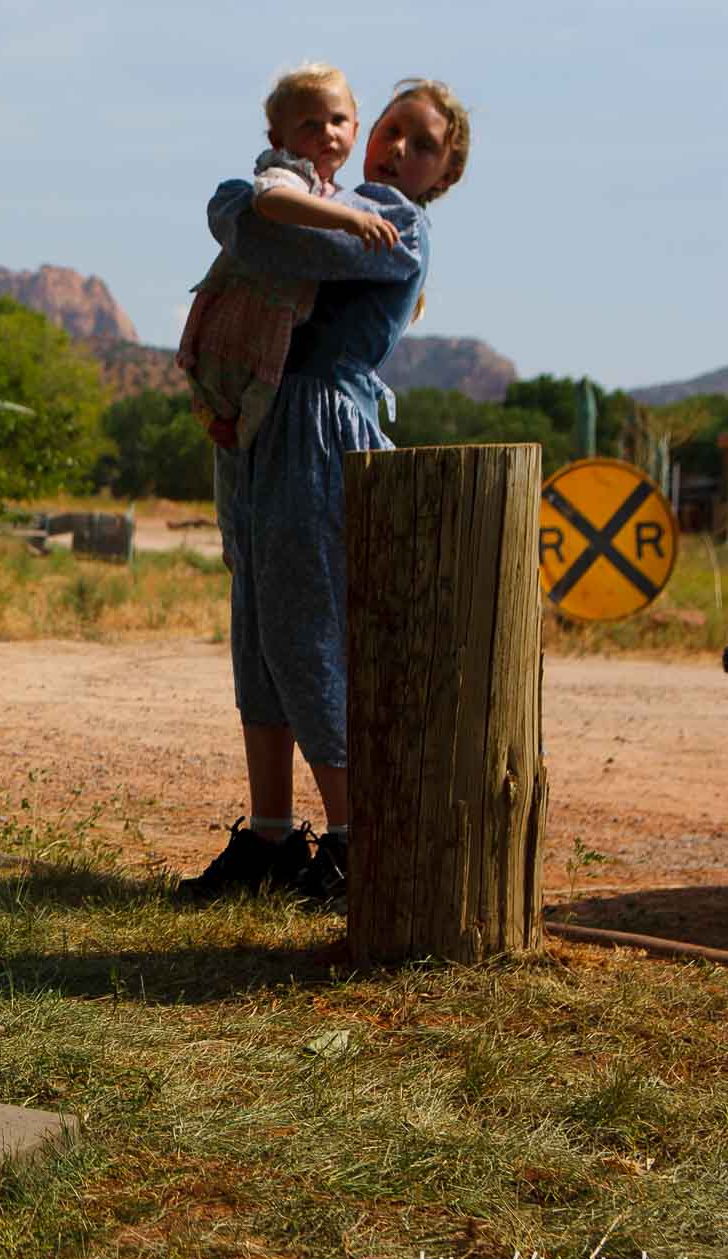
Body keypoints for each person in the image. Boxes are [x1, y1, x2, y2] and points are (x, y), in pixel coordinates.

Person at [177, 78, 472, 902]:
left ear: (443, 173)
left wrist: (236, 208)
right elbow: (245, 216)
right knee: (259, 634)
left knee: (309, 629)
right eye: (393, 130)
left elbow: (262, 239)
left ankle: (354, 843)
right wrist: (241, 207)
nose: (400, 150)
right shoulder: (324, 199)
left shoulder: (398, 228)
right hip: (262, 419)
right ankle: (272, 839)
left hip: (316, 420)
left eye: (424, 145)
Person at [177, 63, 401, 456]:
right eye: (310, 126)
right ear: (279, 138)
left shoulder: (335, 192)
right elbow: (270, 200)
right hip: (246, 309)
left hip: (278, 320)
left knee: (260, 405)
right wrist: (349, 220)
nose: (327, 133)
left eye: (337, 120)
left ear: (356, 128)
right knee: (231, 388)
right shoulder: (289, 172)